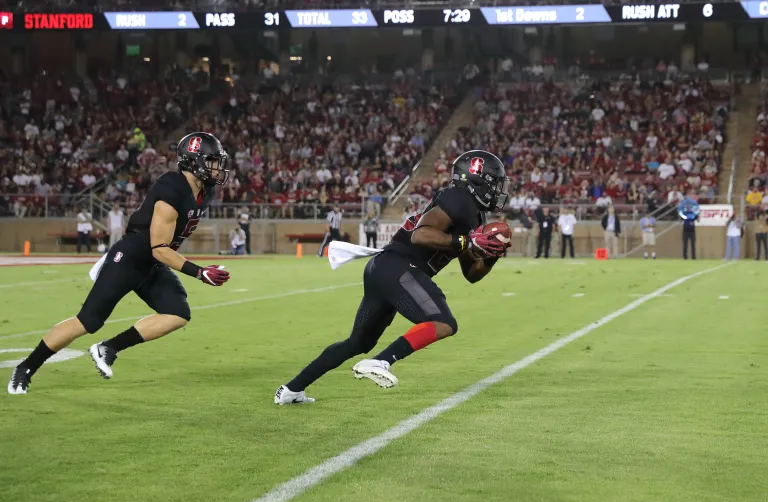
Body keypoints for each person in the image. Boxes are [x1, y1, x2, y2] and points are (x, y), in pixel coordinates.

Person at [275, 150, 510, 404]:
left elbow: (472, 273)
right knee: (444, 322)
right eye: (495, 183)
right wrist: (466, 241)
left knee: (356, 343)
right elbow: (420, 235)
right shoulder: (459, 198)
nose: (498, 190)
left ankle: (291, 390)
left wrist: (491, 254)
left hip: (385, 268)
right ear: (478, 180)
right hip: (398, 267)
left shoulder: (473, 213)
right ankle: (381, 361)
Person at [8, 132, 232, 395]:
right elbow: (158, 248)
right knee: (88, 321)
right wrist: (199, 272)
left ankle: (109, 348)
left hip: (152, 262)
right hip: (133, 255)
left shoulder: (206, 189)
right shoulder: (172, 187)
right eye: (212, 160)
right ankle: (26, 367)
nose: (218, 167)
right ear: (194, 161)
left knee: (178, 313)